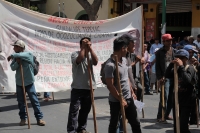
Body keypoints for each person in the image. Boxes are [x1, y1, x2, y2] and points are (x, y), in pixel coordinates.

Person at [104, 37, 141, 133]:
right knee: (114, 124)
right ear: (122, 48)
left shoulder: (124, 60)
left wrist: (132, 92)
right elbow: (110, 85)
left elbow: (126, 78)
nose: (127, 50)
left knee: (135, 123)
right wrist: (121, 99)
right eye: (126, 48)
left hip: (128, 98)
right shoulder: (110, 65)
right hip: (116, 100)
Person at [7, 40, 45, 126]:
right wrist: (17, 62)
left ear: (20, 47)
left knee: (34, 100)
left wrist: (12, 55)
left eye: (15, 47)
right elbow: (13, 68)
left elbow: (22, 55)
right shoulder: (16, 58)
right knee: (21, 102)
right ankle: (23, 119)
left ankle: (39, 118)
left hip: (29, 82)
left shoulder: (28, 55)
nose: (13, 48)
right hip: (19, 83)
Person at [67, 37, 98, 133]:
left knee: (85, 110)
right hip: (77, 87)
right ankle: (72, 130)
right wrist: (84, 48)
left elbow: (96, 61)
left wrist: (90, 48)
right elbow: (79, 60)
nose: (87, 45)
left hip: (89, 88)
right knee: (74, 111)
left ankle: (81, 128)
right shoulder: (75, 54)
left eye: (88, 43)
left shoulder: (90, 55)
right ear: (80, 45)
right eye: (84, 44)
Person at [165, 49, 197, 133]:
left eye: (181, 58)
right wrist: (171, 65)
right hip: (177, 99)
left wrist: (181, 66)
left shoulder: (190, 68)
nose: (179, 59)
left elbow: (187, 80)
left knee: (183, 125)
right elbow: (167, 74)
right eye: (177, 57)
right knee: (177, 125)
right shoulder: (177, 69)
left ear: (186, 59)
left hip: (187, 100)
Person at [156, 34, 176, 122]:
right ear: (164, 42)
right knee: (164, 96)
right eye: (168, 41)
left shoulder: (174, 51)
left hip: (173, 76)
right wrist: (160, 77)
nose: (170, 42)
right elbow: (157, 66)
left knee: (172, 97)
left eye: (170, 40)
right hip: (164, 76)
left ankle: (167, 114)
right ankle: (160, 115)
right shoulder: (160, 52)